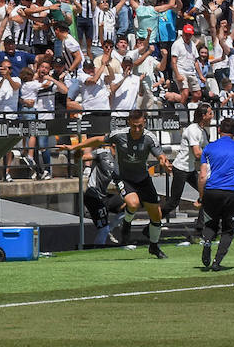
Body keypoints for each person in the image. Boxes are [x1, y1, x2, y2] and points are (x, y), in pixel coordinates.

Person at [61, 108, 171, 258]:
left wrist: (163, 161)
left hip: (143, 179)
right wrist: (75, 147)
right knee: (133, 203)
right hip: (124, 178)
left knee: (156, 216)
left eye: (140, 126)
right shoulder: (119, 135)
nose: (137, 129)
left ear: (144, 122)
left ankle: (154, 246)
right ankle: (127, 223)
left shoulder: (149, 137)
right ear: (129, 123)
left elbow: (160, 154)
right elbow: (98, 139)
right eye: (134, 126)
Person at [199, 116, 234, 271]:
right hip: (232, 192)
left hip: (212, 190)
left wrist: (201, 196)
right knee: (228, 228)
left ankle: (207, 242)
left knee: (210, 223)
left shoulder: (209, 148)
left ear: (219, 131)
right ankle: (217, 261)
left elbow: (202, 175)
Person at [167, 102, 212, 231]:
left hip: (190, 169)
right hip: (181, 169)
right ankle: (153, 223)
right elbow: (197, 153)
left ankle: (200, 227)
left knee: (207, 193)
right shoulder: (193, 130)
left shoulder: (202, 131)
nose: (212, 116)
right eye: (210, 113)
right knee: (173, 203)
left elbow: (206, 150)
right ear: (203, 116)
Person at [81, 146, 123, 247]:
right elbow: (85, 157)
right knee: (103, 229)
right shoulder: (103, 152)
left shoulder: (120, 161)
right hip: (93, 195)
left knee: (131, 205)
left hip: (104, 195)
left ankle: (110, 229)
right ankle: (98, 248)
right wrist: (78, 153)